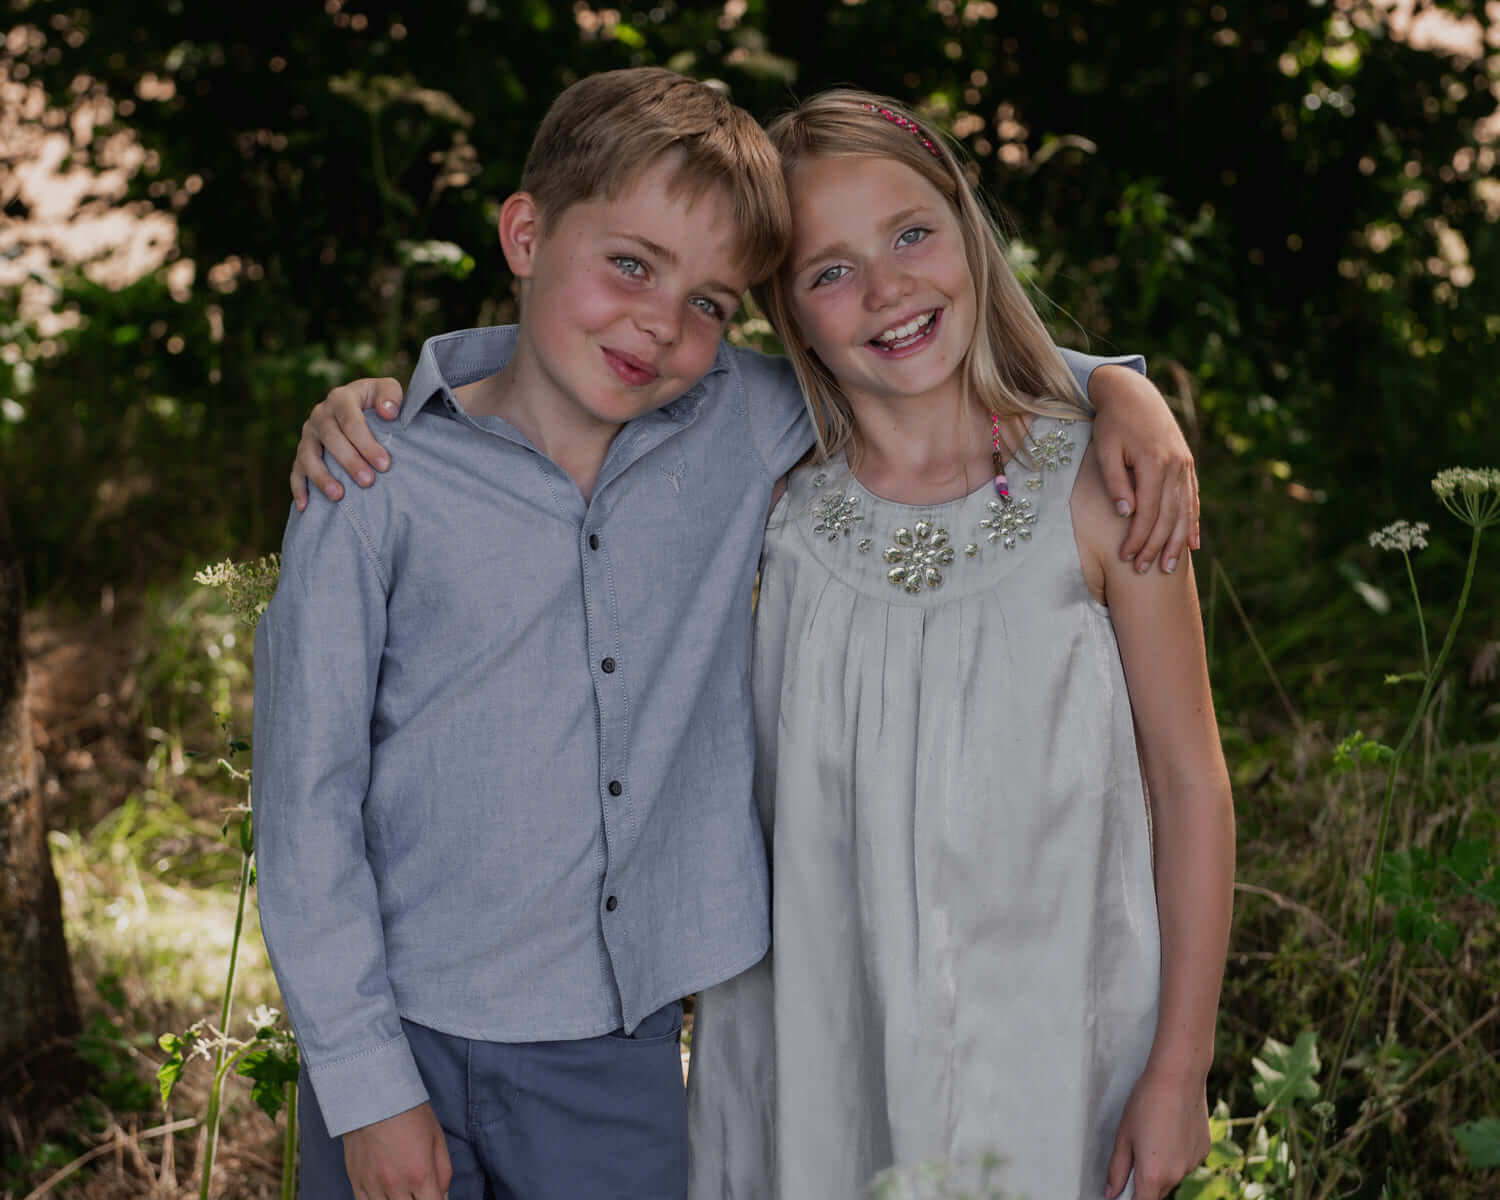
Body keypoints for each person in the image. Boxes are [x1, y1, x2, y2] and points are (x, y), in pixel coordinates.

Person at [280, 71, 1200, 1200]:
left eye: (710, 302)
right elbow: (306, 807)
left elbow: (927, 367)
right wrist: (365, 1084)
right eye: (630, 264)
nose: (662, 324)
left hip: (646, 1056)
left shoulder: (736, 427)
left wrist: (1120, 390)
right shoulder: (386, 479)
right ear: (525, 232)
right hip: (433, 1038)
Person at [680, 91, 1236, 1200]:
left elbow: (1190, 785)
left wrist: (1183, 1066)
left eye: (911, 233)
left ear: (968, 231)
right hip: (815, 1035)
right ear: (785, 311)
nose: (886, 288)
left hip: (1050, 1041)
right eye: (829, 271)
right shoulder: (769, 504)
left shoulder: (1100, 489)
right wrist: (401, 398)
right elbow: (584, 363)